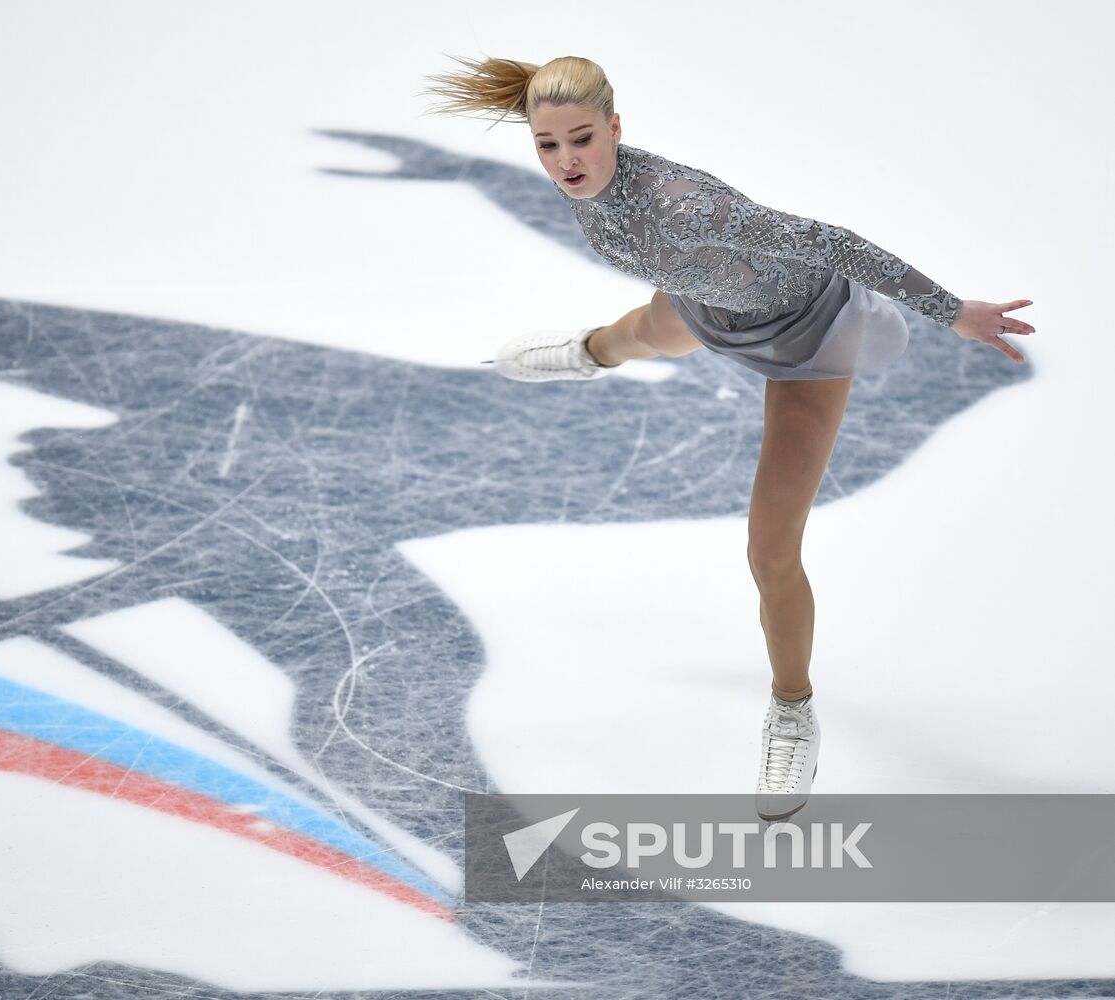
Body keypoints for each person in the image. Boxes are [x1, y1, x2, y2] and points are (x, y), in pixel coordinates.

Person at [419, 54, 1035, 820]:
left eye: (581, 138)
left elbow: (830, 240)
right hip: (704, 304)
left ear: (617, 128)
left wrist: (949, 309)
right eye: (547, 146)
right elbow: (667, 263)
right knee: (643, 331)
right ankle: (584, 354)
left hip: (805, 337)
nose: (566, 161)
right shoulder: (592, 187)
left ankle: (791, 710)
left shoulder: (685, 209)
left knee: (769, 551)